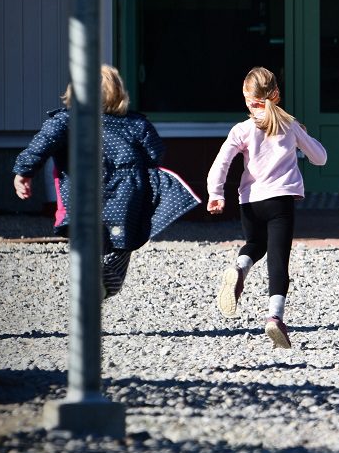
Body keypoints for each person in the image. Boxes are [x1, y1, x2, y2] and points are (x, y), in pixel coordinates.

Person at [12, 65, 200, 299]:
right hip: (126, 196)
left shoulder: (66, 121)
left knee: (88, 236)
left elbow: (41, 144)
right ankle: (106, 277)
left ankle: (91, 273)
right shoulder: (136, 123)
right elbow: (155, 154)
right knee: (122, 240)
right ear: (118, 94)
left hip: (83, 194)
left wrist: (24, 172)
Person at [206, 66, 328, 350]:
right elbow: (320, 158)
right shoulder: (289, 126)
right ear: (276, 94)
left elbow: (221, 162)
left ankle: (240, 267)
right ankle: (275, 317)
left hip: (250, 201)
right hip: (280, 202)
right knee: (278, 259)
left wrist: (216, 193)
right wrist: (302, 138)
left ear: (248, 99)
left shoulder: (242, 129)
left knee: (254, 244)